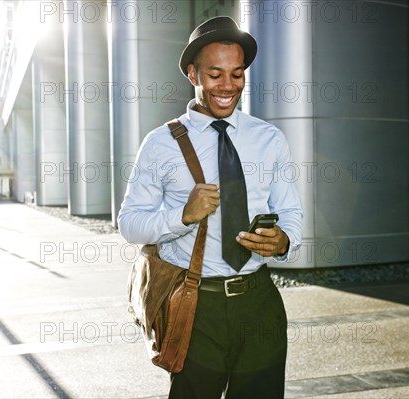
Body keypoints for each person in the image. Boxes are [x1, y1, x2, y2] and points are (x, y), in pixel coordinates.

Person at [117, 16, 303, 399]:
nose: (228, 86)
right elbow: (130, 224)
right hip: (195, 305)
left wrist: (283, 240)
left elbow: (292, 214)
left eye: (237, 74)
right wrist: (182, 216)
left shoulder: (269, 139)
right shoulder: (160, 143)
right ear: (192, 74)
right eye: (215, 74)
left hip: (260, 303)